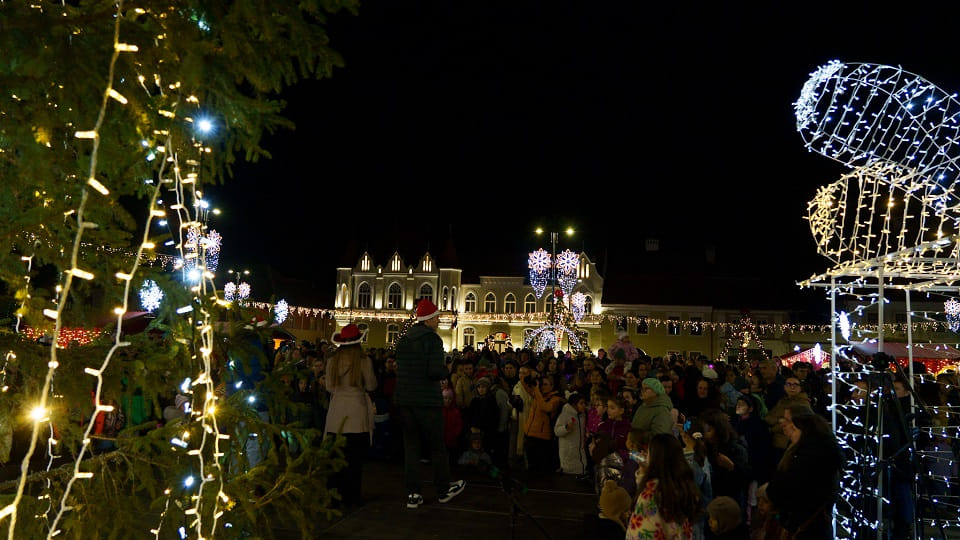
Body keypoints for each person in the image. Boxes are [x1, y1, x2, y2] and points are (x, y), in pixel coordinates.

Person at [394, 300, 466, 509]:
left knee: (412, 448)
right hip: (427, 401)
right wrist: (447, 369)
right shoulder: (432, 340)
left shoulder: (404, 339)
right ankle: (443, 490)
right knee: (437, 447)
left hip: (405, 400)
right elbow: (434, 371)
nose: (438, 320)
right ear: (429, 319)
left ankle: (413, 493)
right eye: (436, 317)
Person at [765, 404, 843, 540]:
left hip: (806, 528)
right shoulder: (807, 452)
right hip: (809, 525)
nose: (783, 424)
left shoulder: (808, 457)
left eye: (790, 422)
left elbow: (784, 492)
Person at [323, 324, 378, 508]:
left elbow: (329, 387)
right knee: (354, 460)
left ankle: (334, 496)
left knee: (334, 458)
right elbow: (371, 385)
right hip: (357, 413)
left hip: (337, 412)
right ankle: (351, 497)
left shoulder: (333, 361)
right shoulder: (364, 361)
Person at [626, 433, 701, 540]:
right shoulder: (684, 486)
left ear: (654, 458)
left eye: (649, 453)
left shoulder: (651, 493)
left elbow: (641, 531)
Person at [554, 392, 587, 475]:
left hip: (580, 451)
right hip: (569, 452)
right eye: (581, 403)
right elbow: (557, 431)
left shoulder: (583, 416)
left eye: (584, 403)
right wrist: (566, 428)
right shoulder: (564, 415)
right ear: (574, 404)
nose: (584, 405)